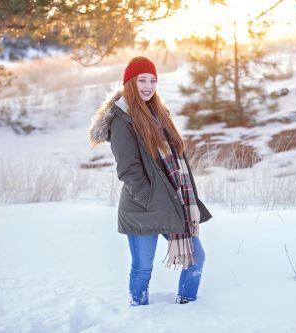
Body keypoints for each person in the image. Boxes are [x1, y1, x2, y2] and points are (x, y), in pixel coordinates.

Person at [88, 56, 212, 306]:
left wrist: (169, 199)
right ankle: (138, 311)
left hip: (171, 202)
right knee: (143, 268)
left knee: (195, 257)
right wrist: (150, 199)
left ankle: (188, 307)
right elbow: (129, 170)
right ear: (129, 83)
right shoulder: (122, 120)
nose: (148, 86)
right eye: (141, 80)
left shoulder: (160, 114)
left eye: (153, 80)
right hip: (141, 207)